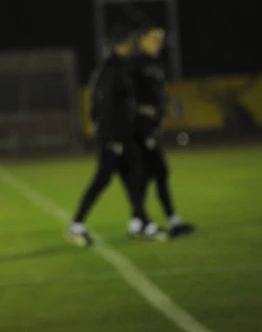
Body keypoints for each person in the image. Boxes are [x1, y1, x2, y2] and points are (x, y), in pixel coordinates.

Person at [66, 24, 166, 247]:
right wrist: (110, 138)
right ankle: (76, 226)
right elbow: (105, 105)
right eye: (129, 43)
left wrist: (140, 111)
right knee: (103, 180)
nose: (132, 47)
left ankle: (142, 224)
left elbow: (118, 103)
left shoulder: (119, 67)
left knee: (134, 180)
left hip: (123, 136)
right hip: (114, 138)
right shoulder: (111, 69)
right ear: (123, 44)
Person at [133, 25, 195, 238]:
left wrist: (163, 106)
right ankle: (163, 221)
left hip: (153, 126)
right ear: (142, 40)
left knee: (151, 175)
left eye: (160, 39)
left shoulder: (156, 65)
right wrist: (141, 109)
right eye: (154, 39)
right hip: (140, 128)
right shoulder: (135, 64)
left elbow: (159, 92)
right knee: (157, 172)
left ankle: (138, 222)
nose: (158, 43)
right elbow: (125, 96)